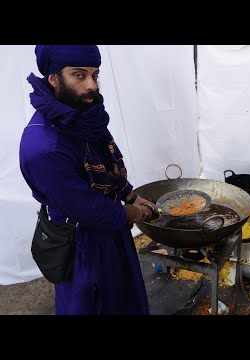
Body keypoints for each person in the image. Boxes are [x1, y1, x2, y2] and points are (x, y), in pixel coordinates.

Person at [19, 45, 158, 315]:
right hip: (80, 243)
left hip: (112, 229)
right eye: (79, 75)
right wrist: (137, 212)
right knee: (92, 304)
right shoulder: (43, 147)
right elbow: (87, 209)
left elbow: (105, 164)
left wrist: (130, 195)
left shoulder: (84, 115)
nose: (91, 86)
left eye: (95, 75)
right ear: (54, 78)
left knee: (125, 299)